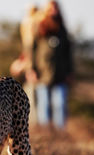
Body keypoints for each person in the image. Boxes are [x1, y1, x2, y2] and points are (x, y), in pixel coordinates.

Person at [31, 0, 73, 129]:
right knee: (44, 104)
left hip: (60, 74)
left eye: (55, 7)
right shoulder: (40, 27)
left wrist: (69, 71)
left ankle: (60, 133)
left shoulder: (62, 29)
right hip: (42, 74)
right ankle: (46, 132)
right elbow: (32, 49)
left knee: (59, 103)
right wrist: (32, 69)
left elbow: (68, 52)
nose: (53, 10)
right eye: (51, 8)